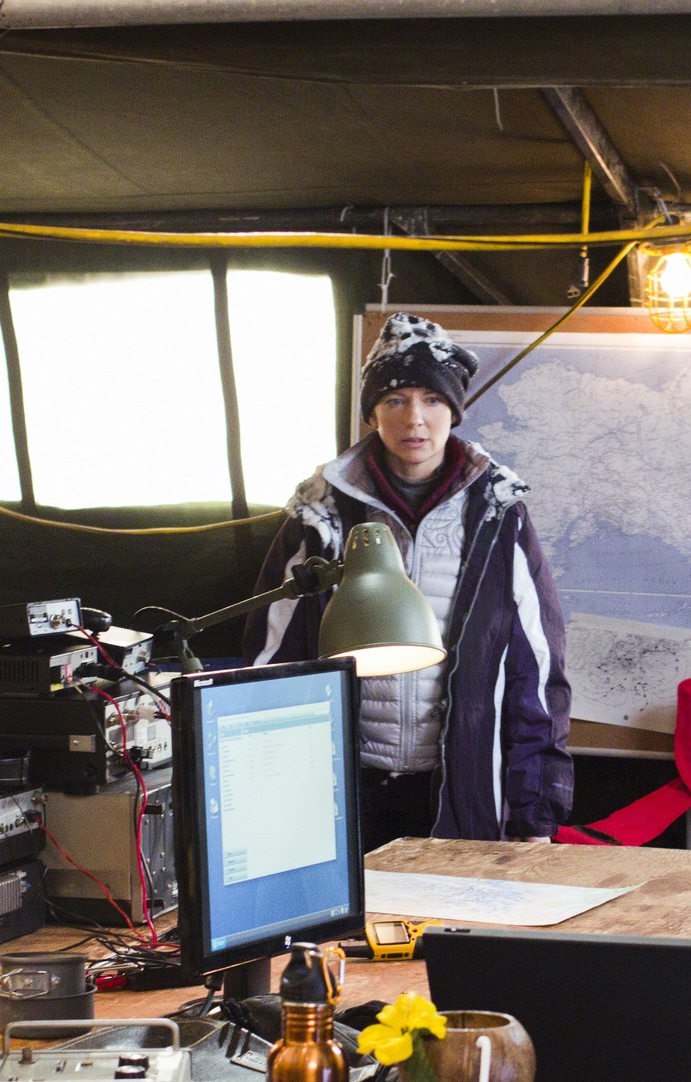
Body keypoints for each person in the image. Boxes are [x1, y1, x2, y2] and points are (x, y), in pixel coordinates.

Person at [244, 313, 572, 847]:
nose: (414, 419)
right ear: (372, 415)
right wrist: (268, 790)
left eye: (432, 400)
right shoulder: (320, 516)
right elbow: (271, 660)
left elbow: (536, 674)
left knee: (451, 927)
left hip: (461, 790)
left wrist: (536, 815)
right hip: (342, 791)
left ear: (454, 412)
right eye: (395, 401)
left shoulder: (497, 515)